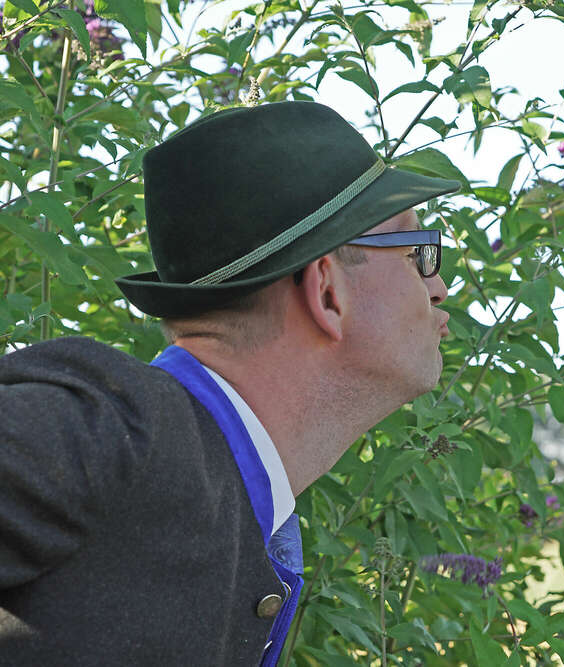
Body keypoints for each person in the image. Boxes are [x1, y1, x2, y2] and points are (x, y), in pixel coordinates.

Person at [0, 101, 458, 666]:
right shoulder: (110, 431)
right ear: (328, 293)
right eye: (417, 253)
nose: (437, 288)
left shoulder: (224, 492)